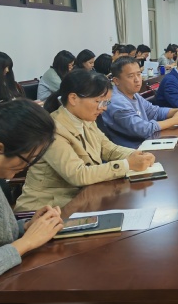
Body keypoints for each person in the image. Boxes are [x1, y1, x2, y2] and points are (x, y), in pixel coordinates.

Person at [0, 99, 146, 304]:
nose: (24, 169)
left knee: (109, 276)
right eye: (26, 160)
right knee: (105, 292)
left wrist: (27, 226)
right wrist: (26, 242)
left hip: (9, 279)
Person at [15, 70, 156, 211]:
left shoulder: (86, 119)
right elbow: (78, 174)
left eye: (106, 102)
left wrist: (136, 155)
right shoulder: (52, 130)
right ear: (73, 98)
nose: (104, 108)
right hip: (47, 210)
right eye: (99, 102)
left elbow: (109, 149)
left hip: (82, 199)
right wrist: (127, 164)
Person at [102, 57, 178, 148]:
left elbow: (154, 111)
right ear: (116, 81)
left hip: (146, 143)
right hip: (132, 151)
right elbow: (142, 129)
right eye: (131, 76)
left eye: (139, 74)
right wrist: (174, 120)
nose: (137, 80)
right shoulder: (116, 101)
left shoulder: (133, 94)